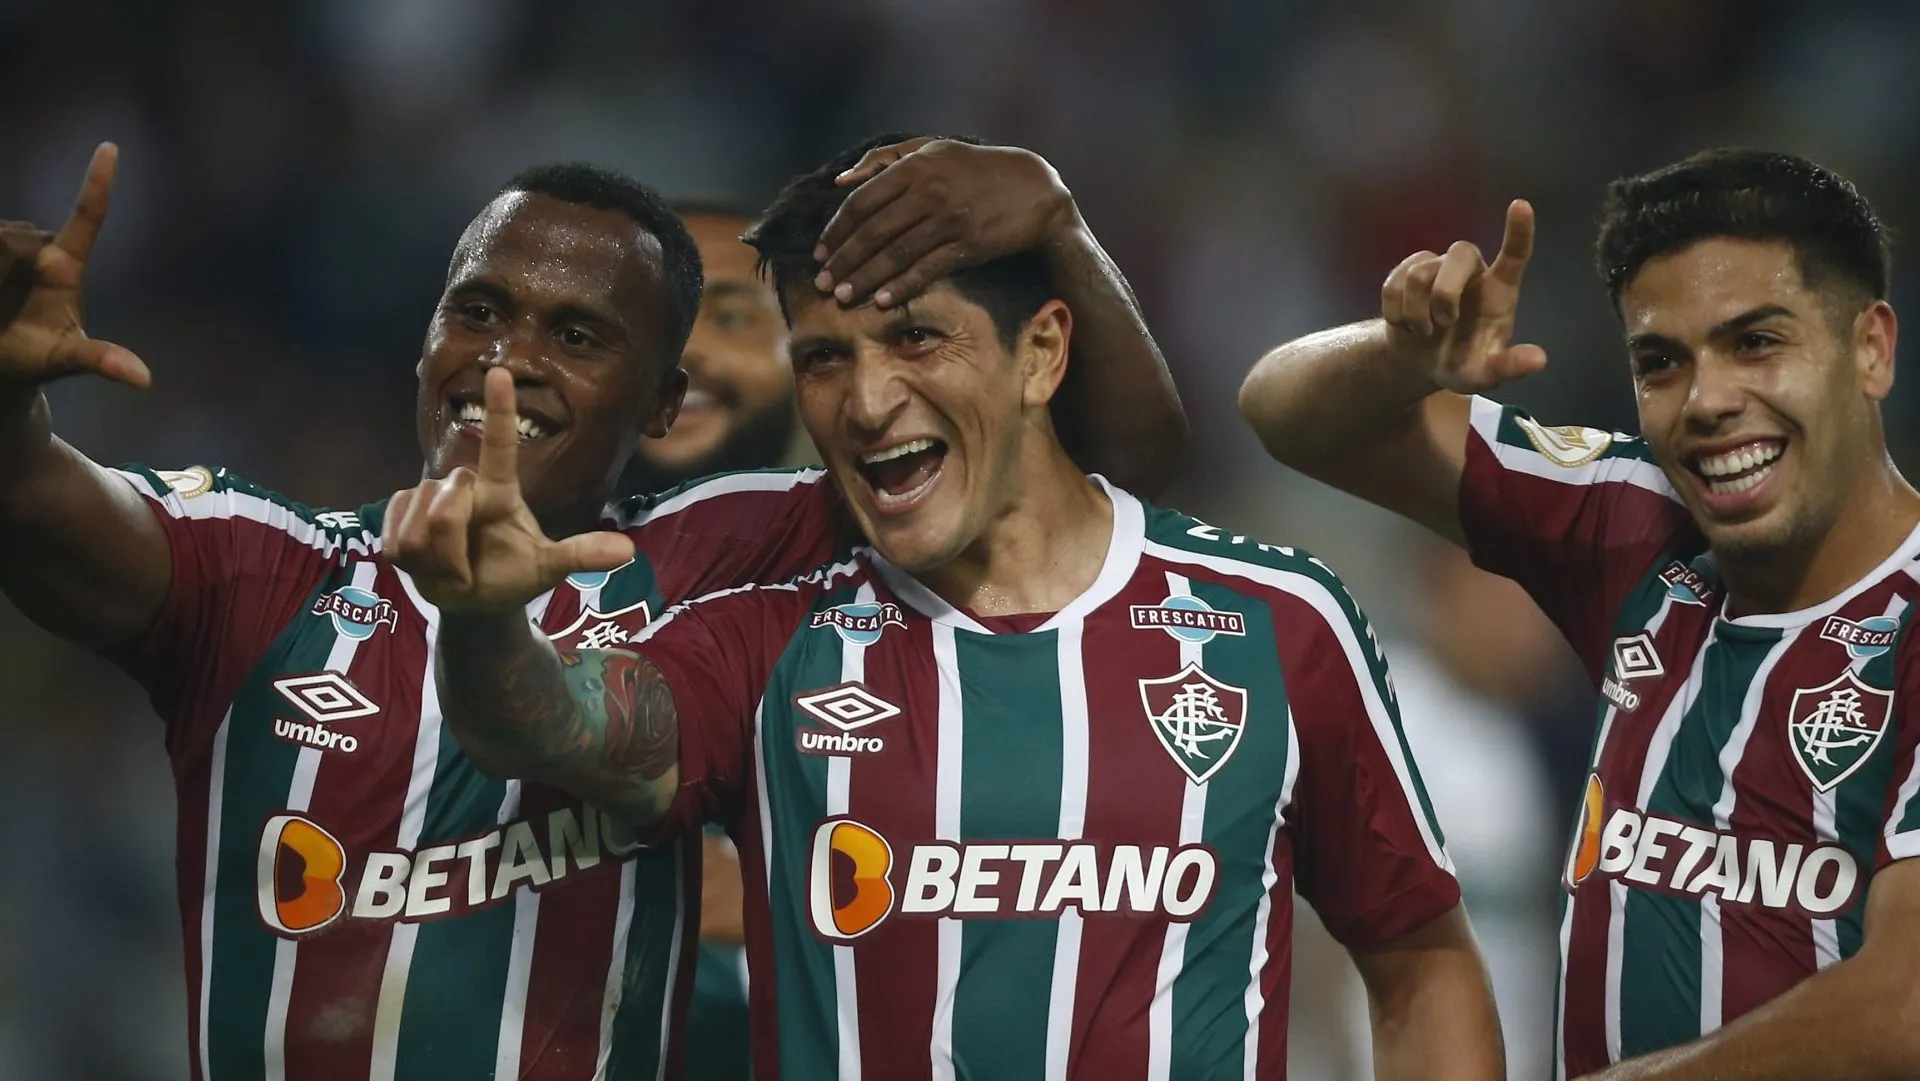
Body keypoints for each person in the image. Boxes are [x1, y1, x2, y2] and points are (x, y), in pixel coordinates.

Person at [0, 140, 1183, 1080]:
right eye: (479, 312)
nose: (505, 362)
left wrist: (1056, 225)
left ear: (663, 402)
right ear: (425, 338)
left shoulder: (729, 559)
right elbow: (34, 503)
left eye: (575, 336)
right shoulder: (262, 574)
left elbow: (1081, 492)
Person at [395, 135, 1506, 1080]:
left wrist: (1057, 215)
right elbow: (558, 727)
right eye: (824, 358)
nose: (869, 399)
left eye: (916, 337)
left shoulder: (1279, 622)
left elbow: (1417, 955)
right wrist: (485, 620)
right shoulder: (772, 637)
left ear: (1043, 351)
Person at [1238, 149, 1920, 1080]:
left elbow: (1904, 1007)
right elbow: (1284, 408)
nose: (1709, 400)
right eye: (1661, 362)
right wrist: (1400, 360)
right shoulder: (1634, 522)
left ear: (1871, 346)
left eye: (1757, 342)